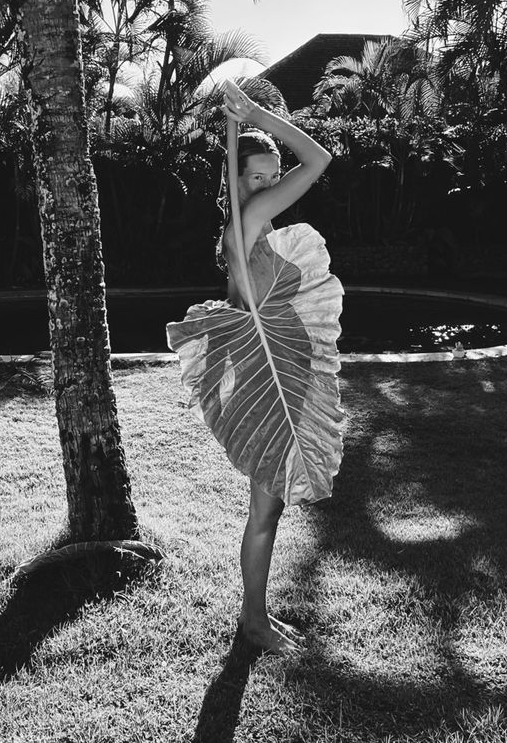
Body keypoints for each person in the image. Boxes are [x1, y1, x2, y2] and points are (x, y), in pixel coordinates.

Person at [167, 79, 344, 656]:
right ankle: (253, 620)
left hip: (272, 372)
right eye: (258, 177)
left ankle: (257, 614)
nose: (270, 186)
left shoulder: (250, 230)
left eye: (272, 177)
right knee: (267, 508)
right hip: (267, 380)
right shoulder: (247, 222)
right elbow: (318, 159)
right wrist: (257, 113)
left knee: (269, 505)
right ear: (236, 181)